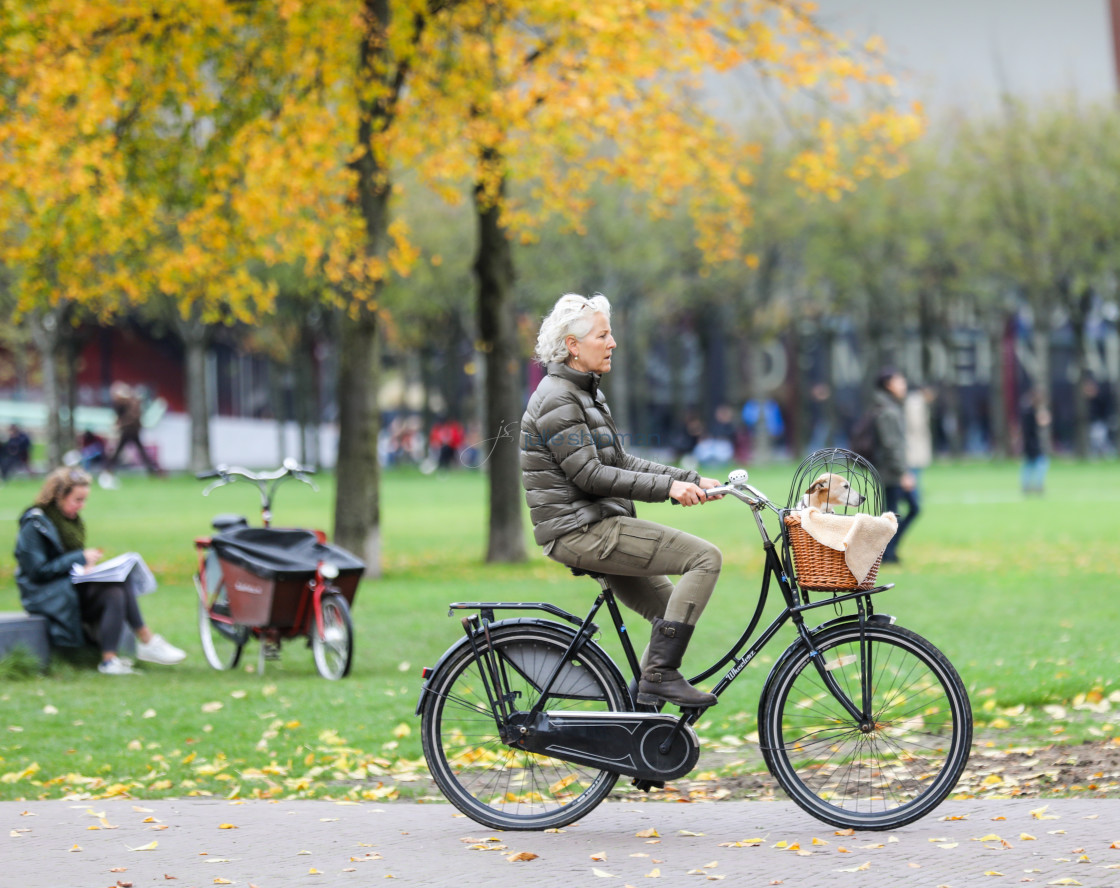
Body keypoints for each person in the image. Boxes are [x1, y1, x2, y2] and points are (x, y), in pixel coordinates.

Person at [520, 293, 724, 708]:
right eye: (603, 335)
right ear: (573, 346)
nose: (612, 343)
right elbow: (590, 476)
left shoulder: (584, 392)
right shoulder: (558, 398)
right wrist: (669, 489)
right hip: (582, 530)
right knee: (705, 559)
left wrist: (689, 478)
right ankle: (660, 679)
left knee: (672, 609)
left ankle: (639, 733)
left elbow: (618, 460)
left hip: (593, 523)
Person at [14, 467, 186, 674]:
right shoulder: (34, 526)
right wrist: (79, 558)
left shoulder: (70, 522)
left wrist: (86, 567)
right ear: (58, 496)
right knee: (115, 586)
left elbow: (66, 564)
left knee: (117, 585)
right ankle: (144, 642)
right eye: (77, 500)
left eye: (84, 500)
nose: (82, 506)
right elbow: (37, 571)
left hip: (66, 587)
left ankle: (111, 659)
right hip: (46, 595)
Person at [872, 368, 916, 564]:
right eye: (900, 382)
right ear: (889, 385)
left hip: (889, 470)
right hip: (890, 472)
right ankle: (886, 554)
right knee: (897, 512)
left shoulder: (888, 406)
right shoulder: (888, 410)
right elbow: (891, 445)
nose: (903, 385)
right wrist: (903, 472)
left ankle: (889, 552)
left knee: (893, 513)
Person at [105, 382, 160, 474]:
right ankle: (152, 469)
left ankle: (108, 469)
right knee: (139, 451)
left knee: (120, 450)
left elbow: (132, 418)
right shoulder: (122, 404)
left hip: (130, 430)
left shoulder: (132, 403)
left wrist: (120, 425)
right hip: (130, 430)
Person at [1020, 387, 1051, 495]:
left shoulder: (1026, 410)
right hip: (1033, 442)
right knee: (1042, 463)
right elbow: (1042, 423)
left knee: (1028, 464)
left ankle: (1026, 485)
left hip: (1028, 442)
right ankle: (1038, 485)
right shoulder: (1032, 412)